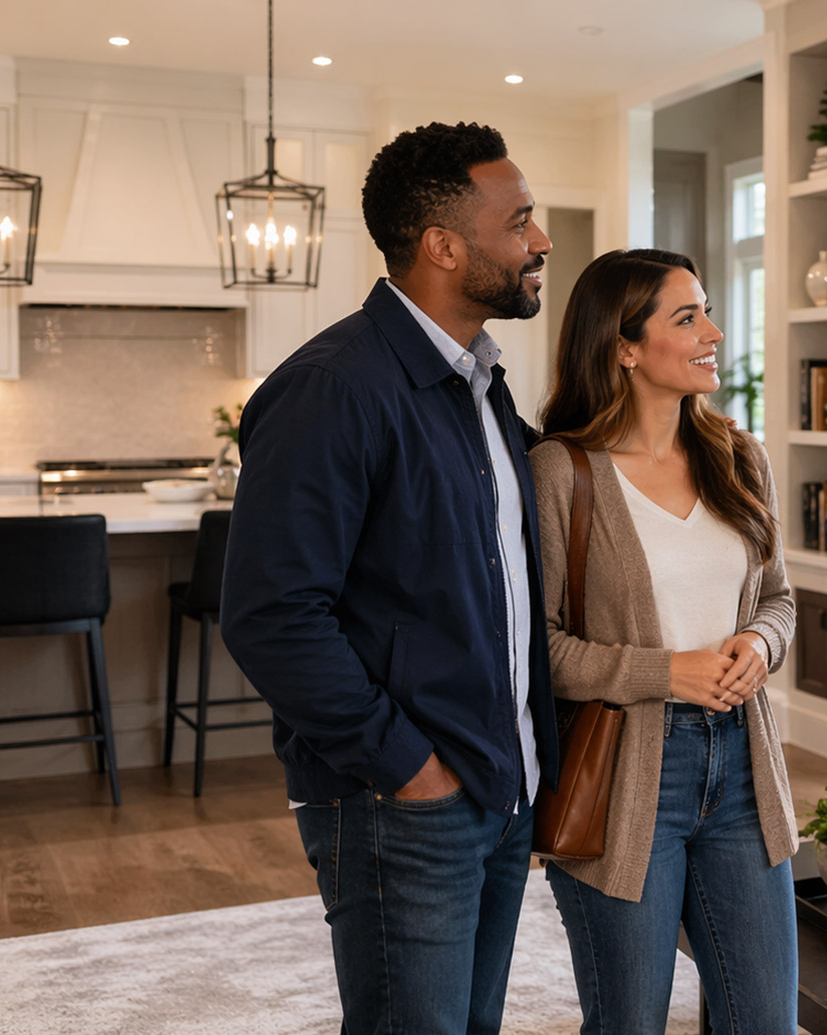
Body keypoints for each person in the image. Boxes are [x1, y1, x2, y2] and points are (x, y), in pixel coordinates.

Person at [220, 121, 557, 1035]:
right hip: (401, 797)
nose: (540, 241)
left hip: (496, 784)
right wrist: (407, 766)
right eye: (519, 221)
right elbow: (271, 614)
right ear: (443, 246)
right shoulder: (333, 387)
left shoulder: (480, 384)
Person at [530, 248, 798, 1034]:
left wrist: (759, 644)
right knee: (630, 1021)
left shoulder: (740, 457)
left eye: (707, 310)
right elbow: (538, 650)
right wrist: (665, 672)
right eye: (688, 318)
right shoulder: (561, 472)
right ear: (624, 346)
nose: (714, 332)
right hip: (624, 776)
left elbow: (778, 600)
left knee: (766, 1021)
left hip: (745, 768)